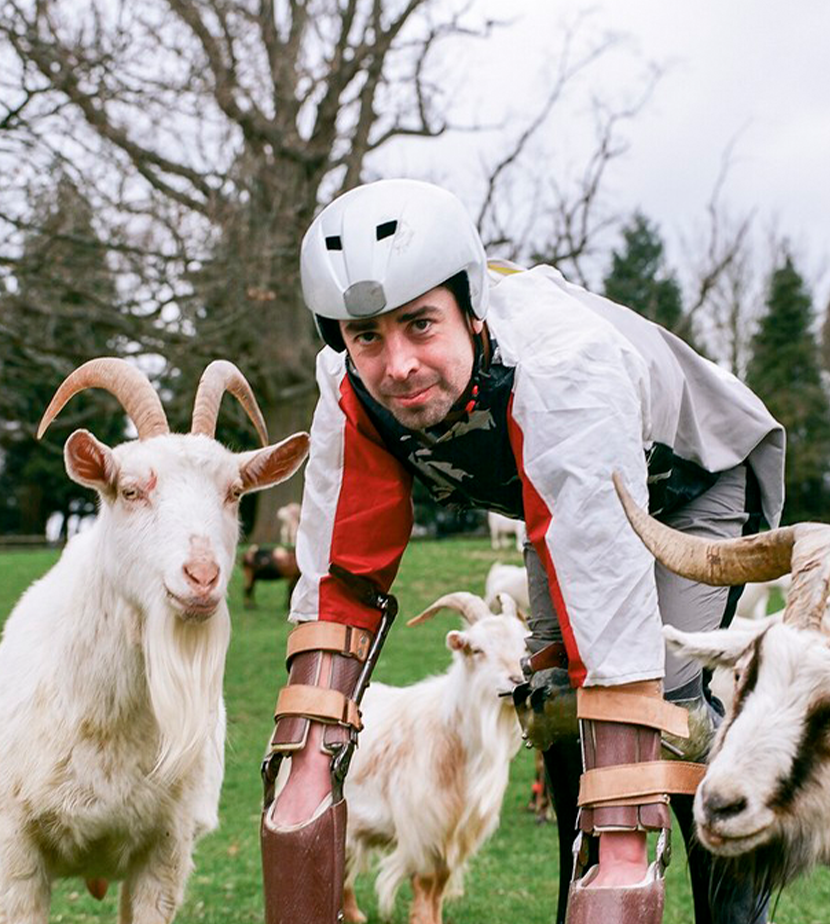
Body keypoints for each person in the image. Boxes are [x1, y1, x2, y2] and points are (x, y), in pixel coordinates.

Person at [259, 179, 785, 924]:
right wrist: (306, 769)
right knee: (555, 707)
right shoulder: (349, 386)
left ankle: (731, 918)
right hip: (563, 493)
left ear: (471, 310)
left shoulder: (564, 369)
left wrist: (624, 835)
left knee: (659, 706)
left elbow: (608, 612)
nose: (398, 363)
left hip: (693, 487)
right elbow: (338, 583)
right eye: (367, 334)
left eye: (420, 324)